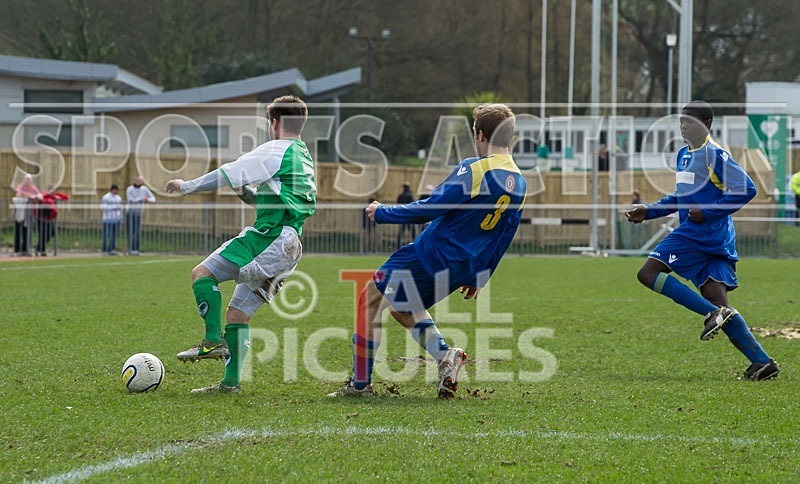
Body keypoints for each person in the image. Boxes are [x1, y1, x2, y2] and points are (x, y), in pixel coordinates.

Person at [328, 103, 527, 398]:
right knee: (400, 304)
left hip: (431, 254)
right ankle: (446, 356)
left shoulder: (475, 168)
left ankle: (360, 384)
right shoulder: (520, 183)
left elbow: (430, 208)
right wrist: (479, 277)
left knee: (369, 297)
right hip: (462, 268)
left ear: (480, 134)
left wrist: (383, 212)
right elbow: (503, 237)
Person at [165, 95, 316, 394]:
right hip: (291, 246)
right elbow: (275, 197)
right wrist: (245, 193)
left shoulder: (277, 148)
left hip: (270, 237)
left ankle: (212, 341)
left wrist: (186, 187)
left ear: (274, 123)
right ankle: (229, 384)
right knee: (238, 313)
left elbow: (228, 172)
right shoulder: (303, 155)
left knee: (202, 274)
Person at [625, 100, 779, 381]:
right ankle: (762, 362)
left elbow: (747, 189)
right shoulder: (684, 155)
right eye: (681, 121)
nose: (683, 126)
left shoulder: (715, 155)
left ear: (706, 125)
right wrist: (650, 211)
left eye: (689, 122)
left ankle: (712, 313)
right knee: (720, 302)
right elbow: (679, 198)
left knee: (647, 273)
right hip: (703, 237)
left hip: (704, 235)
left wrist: (707, 212)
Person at [34, 185, 69, 256]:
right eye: (52, 191)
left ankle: (39, 247)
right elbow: (39, 198)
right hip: (41, 218)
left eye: (55, 191)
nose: (54, 192)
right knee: (42, 234)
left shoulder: (54, 196)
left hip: (49, 219)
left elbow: (66, 197)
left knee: (51, 232)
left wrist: (58, 196)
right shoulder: (45, 195)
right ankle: (41, 250)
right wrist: (44, 199)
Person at [125, 177, 156, 255]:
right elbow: (130, 200)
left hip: (138, 214)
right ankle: (130, 249)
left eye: (139, 180)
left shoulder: (144, 189)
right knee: (131, 232)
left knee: (137, 232)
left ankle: (136, 249)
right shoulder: (130, 189)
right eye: (136, 180)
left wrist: (147, 200)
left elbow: (153, 199)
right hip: (130, 213)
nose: (138, 182)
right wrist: (141, 198)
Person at [13, 174, 41, 255]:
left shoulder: (34, 188)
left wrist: (31, 196)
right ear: (24, 180)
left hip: (29, 213)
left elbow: (39, 196)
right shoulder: (20, 187)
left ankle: (26, 248)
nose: (28, 181)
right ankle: (17, 249)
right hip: (20, 212)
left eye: (29, 179)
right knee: (18, 230)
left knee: (27, 231)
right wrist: (29, 196)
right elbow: (18, 194)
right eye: (26, 179)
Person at [101, 184, 123, 255]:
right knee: (106, 235)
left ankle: (112, 249)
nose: (116, 191)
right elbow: (104, 207)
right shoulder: (106, 197)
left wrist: (120, 216)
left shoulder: (118, 198)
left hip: (116, 219)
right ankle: (105, 250)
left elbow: (120, 208)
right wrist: (114, 207)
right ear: (112, 189)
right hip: (108, 219)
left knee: (114, 235)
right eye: (115, 190)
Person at [395, 182, 416, 247]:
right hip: (409, 216)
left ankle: (398, 245)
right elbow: (413, 204)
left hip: (403, 215)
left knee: (402, 231)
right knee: (412, 231)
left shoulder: (401, 196)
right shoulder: (410, 195)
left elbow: (398, 204)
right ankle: (415, 243)